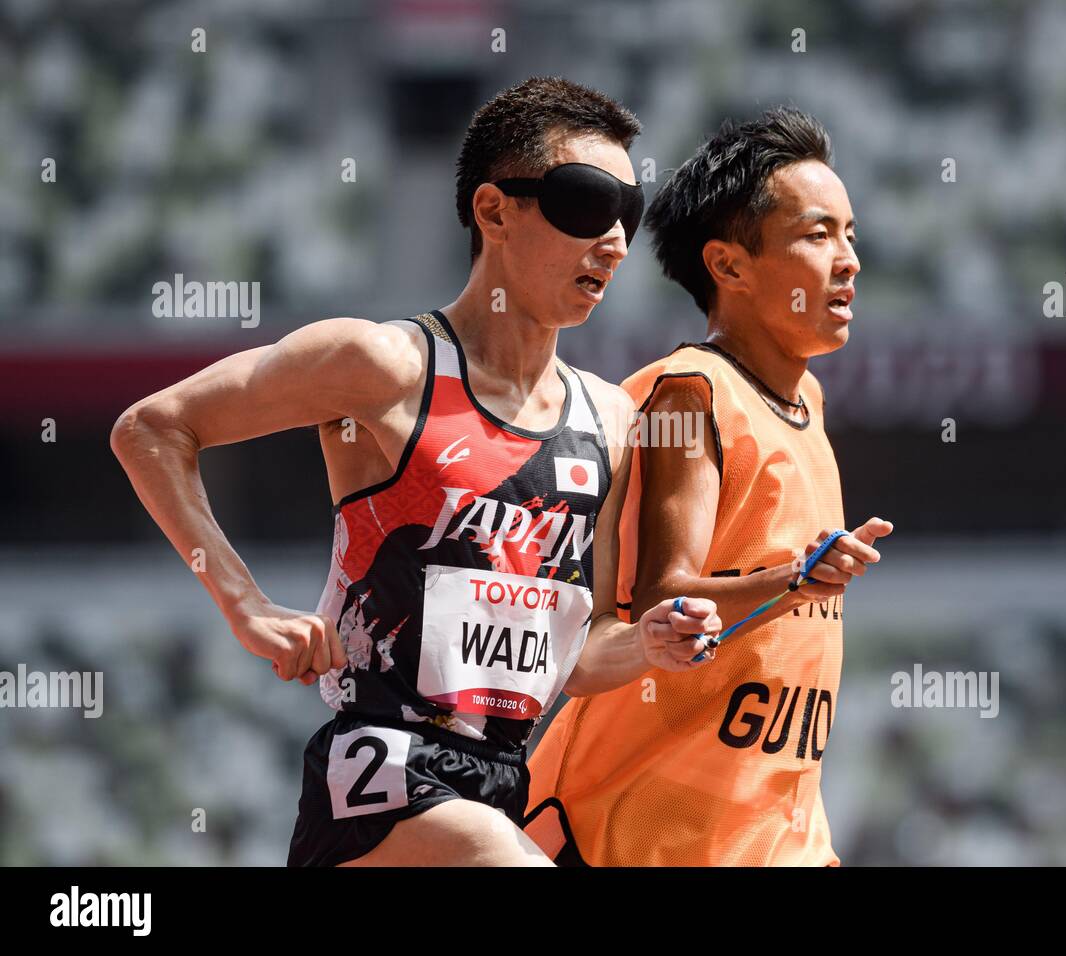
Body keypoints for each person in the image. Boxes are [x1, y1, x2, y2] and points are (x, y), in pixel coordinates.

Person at [110, 76, 721, 867]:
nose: (611, 239)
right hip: (380, 776)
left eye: (628, 215)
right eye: (584, 203)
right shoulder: (383, 366)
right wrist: (244, 604)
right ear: (494, 211)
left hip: (502, 785)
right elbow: (151, 429)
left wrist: (650, 643)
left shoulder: (608, 420)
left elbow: (579, 653)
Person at [523, 107, 894, 866]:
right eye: (818, 235)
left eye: (850, 234)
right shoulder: (689, 394)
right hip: (637, 833)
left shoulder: (806, 401)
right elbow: (664, 599)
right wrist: (793, 577)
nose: (849, 259)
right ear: (729, 266)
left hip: (775, 833)